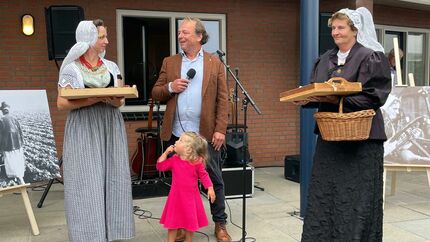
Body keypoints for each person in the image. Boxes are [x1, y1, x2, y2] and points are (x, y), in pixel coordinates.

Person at [294, 8, 391, 241]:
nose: (335, 32)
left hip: (363, 141)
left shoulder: (370, 57)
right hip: (331, 140)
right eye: (333, 28)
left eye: (341, 28)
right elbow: (317, 92)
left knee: (357, 199)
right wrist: (306, 98)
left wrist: (337, 98)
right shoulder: (325, 59)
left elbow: (376, 96)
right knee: (325, 195)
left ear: (355, 30)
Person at [151, 17, 231, 242]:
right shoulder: (170, 62)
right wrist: (170, 86)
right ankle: (179, 227)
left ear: (199, 36)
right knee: (180, 185)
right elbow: (156, 92)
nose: (180, 36)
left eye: (185, 32)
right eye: (179, 32)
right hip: (179, 135)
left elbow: (223, 99)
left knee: (214, 180)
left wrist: (220, 129)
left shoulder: (215, 63)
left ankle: (220, 224)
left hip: (205, 135)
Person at [57, 19, 135, 242]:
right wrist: (95, 98)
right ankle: (88, 235)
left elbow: (119, 100)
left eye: (105, 36)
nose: (106, 41)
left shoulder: (112, 67)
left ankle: (112, 233)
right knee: (86, 182)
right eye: (102, 37)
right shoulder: (71, 68)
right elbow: (62, 103)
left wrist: (111, 97)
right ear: (87, 39)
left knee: (113, 178)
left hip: (109, 126)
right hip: (83, 127)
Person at [157, 132, 216, 242]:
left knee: (190, 223)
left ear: (188, 149)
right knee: (173, 223)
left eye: (180, 140)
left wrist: (210, 187)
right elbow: (160, 166)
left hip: (191, 198)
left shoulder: (196, 162)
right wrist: (165, 153)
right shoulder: (174, 160)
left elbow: (204, 175)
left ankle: (189, 240)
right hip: (176, 198)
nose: (176, 141)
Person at [0, 102, 26, 185]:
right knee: (17, 161)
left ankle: (17, 179)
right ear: (8, 110)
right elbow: (21, 132)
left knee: (10, 162)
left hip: (7, 146)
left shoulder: (1, 120)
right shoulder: (14, 118)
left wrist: (1, 149)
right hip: (18, 145)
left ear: (2, 111)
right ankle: (19, 178)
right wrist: (22, 142)